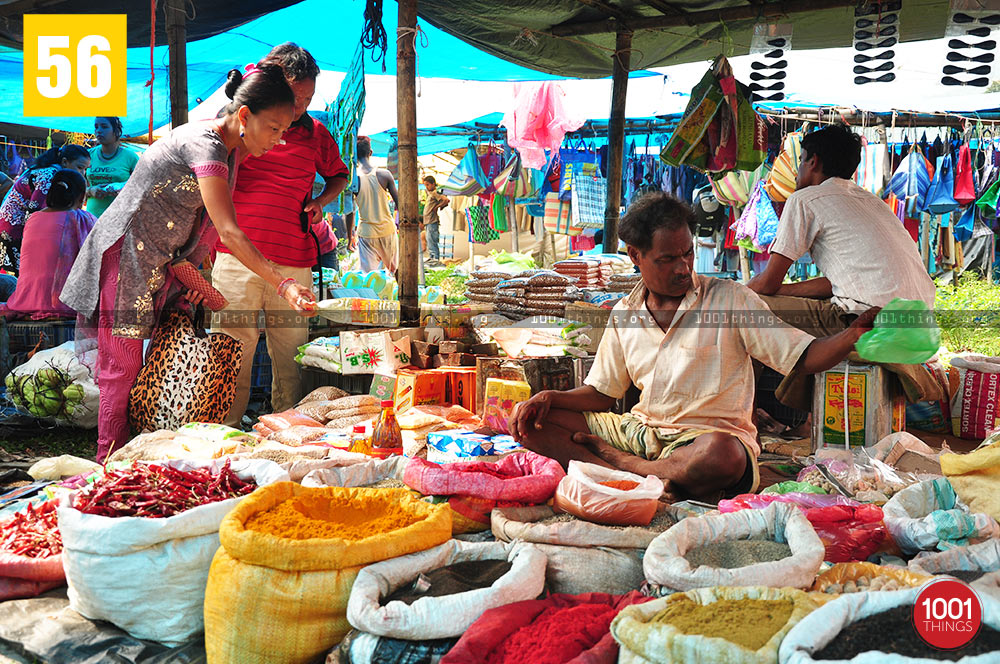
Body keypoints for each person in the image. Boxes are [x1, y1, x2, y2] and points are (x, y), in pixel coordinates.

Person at [510, 192, 878, 500]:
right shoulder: (625, 312)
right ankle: (632, 476)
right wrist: (549, 399)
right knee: (533, 424)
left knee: (723, 455)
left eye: (687, 253)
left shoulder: (731, 299)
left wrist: (850, 336)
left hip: (705, 440)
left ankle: (628, 473)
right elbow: (600, 393)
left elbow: (803, 357)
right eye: (668, 259)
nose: (684, 267)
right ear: (635, 256)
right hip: (641, 433)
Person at [61, 64, 315, 463]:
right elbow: (228, 231)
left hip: (162, 262)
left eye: (284, 130)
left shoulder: (231, 152)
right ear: (244, 116)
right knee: (123, 369)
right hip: (126, 257)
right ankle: (107, 465)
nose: (279, 140)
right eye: (274, 128)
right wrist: (283, 284)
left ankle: (145, 459)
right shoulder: (205, 144)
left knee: (158, 361)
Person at [747, 123, 942, 410]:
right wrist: (783, 293)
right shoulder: (871, 201)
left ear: (813, 162)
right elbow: (838, 282)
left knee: (744, 310)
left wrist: (738, 291)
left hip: (864, 319)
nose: (799, 170)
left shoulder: (804, 199)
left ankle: (743, 416)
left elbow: (766, 285)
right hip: (919, 323)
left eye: (801, 161)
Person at [212, 44, 348, 426]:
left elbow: (340, 174)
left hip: (294, 258)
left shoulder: (315, 133)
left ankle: (289, 435)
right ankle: (225, 435)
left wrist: (322, 199)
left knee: (290, 357)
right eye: (296, 97)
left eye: (308, 98)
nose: (301, 107)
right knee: (232, 355)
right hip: (236, 256)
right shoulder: (236, 123)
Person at [1, 169, 96, 320]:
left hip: (26, 300)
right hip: (63, 303)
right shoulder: (82, 218)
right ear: (80, 198)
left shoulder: (34, 219)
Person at [0, 144, 90, 272]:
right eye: (80, 167)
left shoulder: (51, 173)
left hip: (14, 224)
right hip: (13, 226)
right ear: (64, 162)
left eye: (85, 169)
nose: (82, 173)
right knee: (19, 275)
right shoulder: (49, 176)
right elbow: (36, 216)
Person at [352, 135, 398, 272]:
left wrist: (350, 236)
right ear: (370, 153)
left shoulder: (353, 180)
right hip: (387, 230)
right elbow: (400, 203)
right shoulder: (384, 175)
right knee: (395, 270)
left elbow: (350, 211)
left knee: (368, 275)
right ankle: (403, 294)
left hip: (366, 233)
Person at [86, 117, 140, 217]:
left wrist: (122, 190)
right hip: (92, 218)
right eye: (96, 127)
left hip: (120, 219)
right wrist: (90, 190)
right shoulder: (89, 155)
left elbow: (141, 186)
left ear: (116, 131)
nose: (99, 131)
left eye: (104, 127)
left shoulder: (131, 157)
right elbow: (76, 188)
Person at [422, 175, 449, 263]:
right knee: (429, 240)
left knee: (432, 240)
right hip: (428, 221)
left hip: (432, 221)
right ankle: (432, 257)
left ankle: (435, 259)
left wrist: (437, 207)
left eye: (428, 184)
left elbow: (446, 200)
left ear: (433, 184)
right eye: (425, 185)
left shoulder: (435, 192)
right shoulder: (431, 194)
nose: (427, 187)